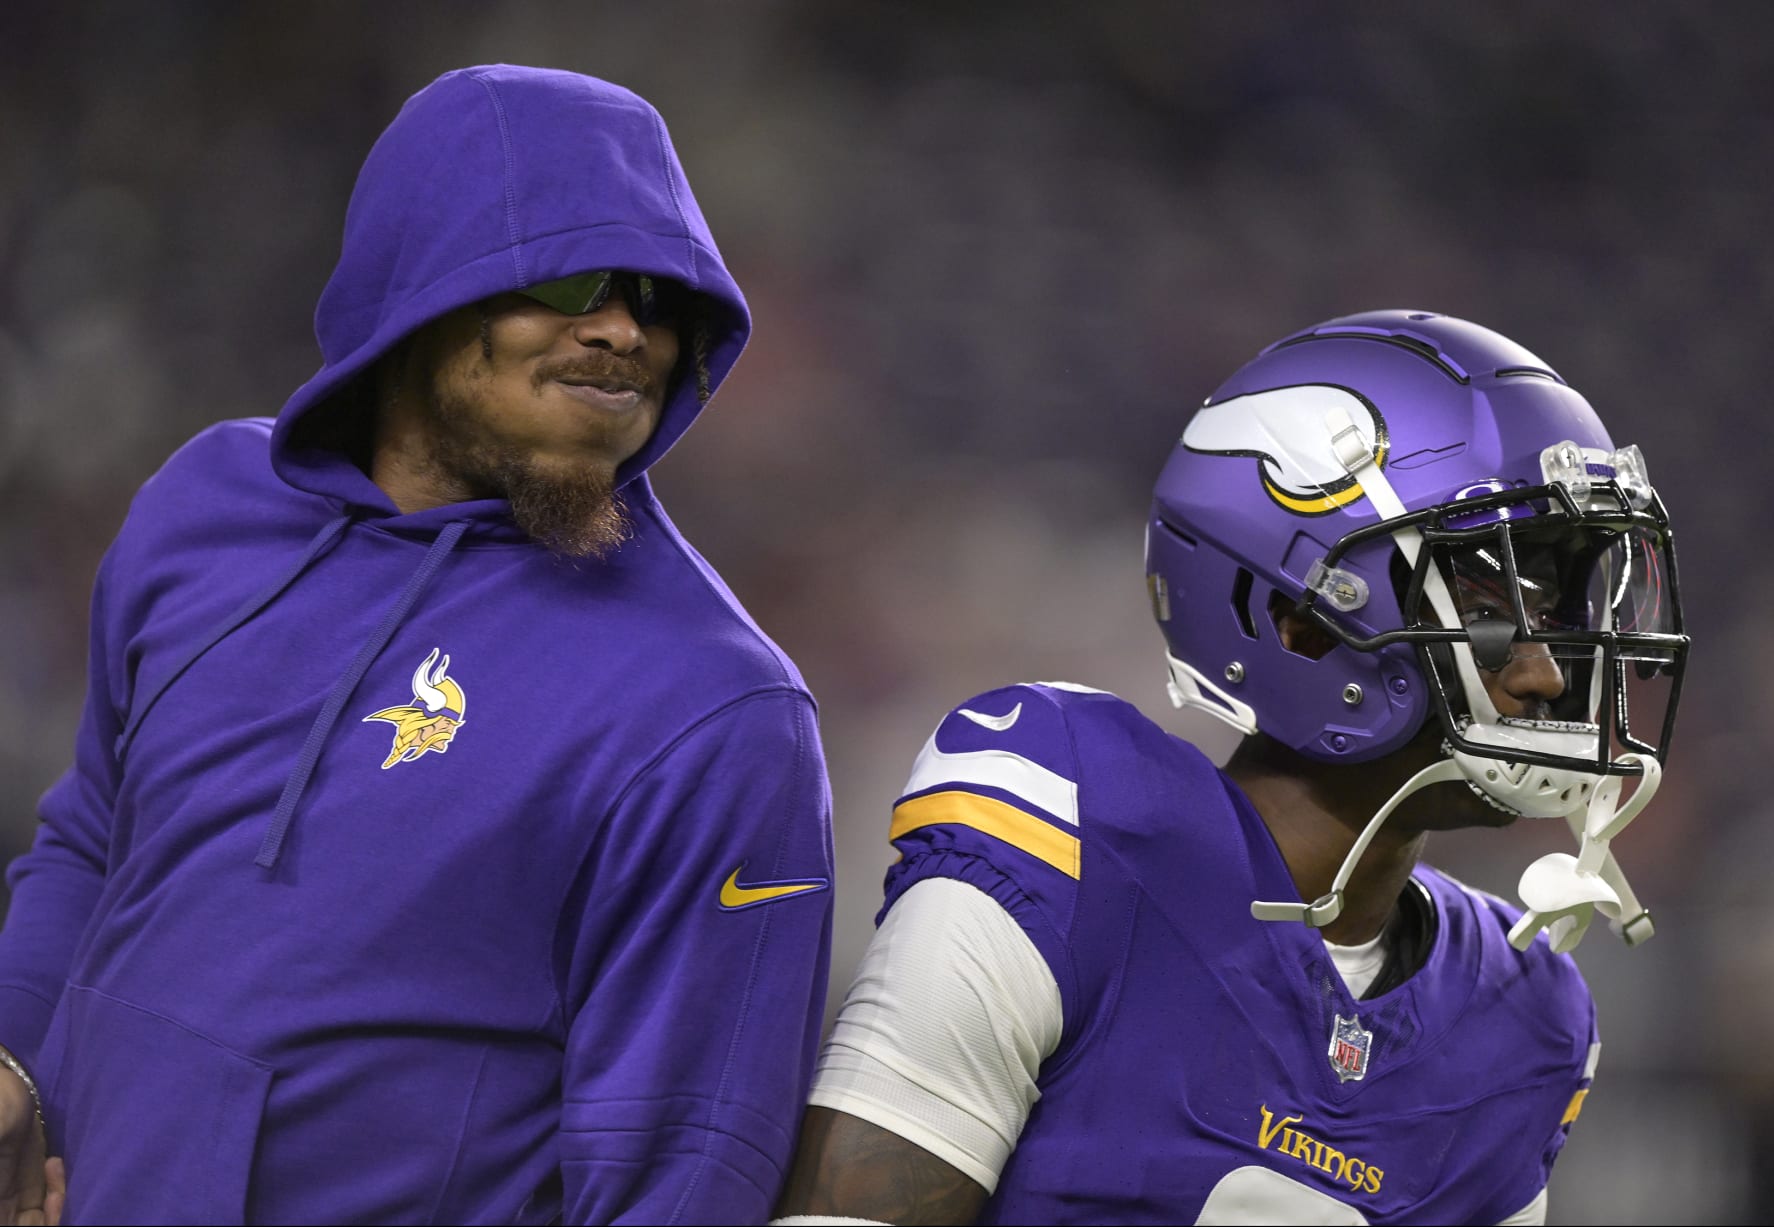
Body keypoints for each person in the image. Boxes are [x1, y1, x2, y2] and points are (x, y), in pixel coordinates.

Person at [0, 64, 834, 1225]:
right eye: (575, 276)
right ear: (424, 284)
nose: (623, 330)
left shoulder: (717, 708)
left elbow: (683, 1167)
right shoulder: (206, 507)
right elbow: (95, 838)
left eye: (660, 300)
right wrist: (13, 1066)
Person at [773, 310, 1688, 1226]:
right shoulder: (1071, 835)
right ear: (1298, 618)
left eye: (1558, 608)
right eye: (1489, 604)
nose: (1546, 673)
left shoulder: (1523, 1014)